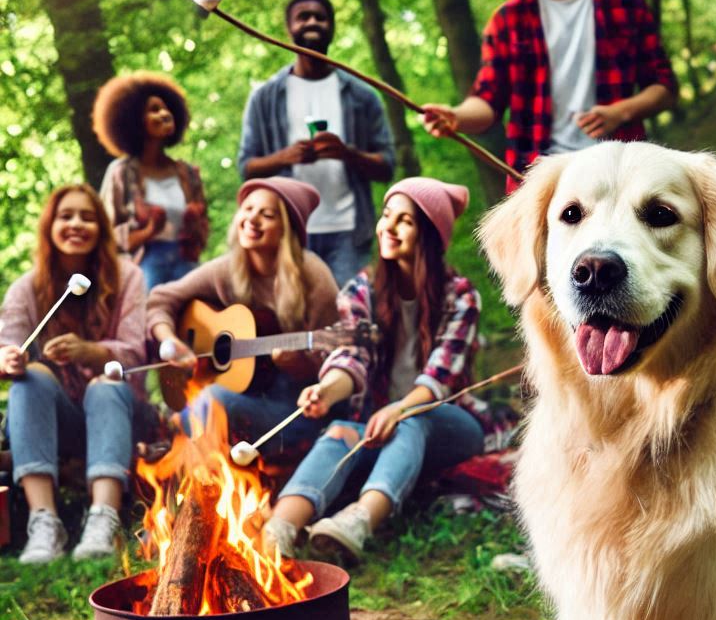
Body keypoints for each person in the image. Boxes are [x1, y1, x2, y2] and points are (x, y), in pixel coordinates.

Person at [261, 177, 485, 564]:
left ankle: (359, 521)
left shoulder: (461, 296)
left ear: (430, 234)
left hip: (449, 426)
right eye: (386, 216)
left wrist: (398, 409)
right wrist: (327, 390)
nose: (388, 227)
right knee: (339, 431)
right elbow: (351, 356)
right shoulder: (363, 290)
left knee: (413, 416)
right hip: (378, 426)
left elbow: (440, 378)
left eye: (405, 221)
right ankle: (278, 531)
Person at [421, 0, 677, 191]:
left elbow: (664, 87)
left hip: (617, 175)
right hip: (537, 184)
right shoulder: (508, 20)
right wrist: (456, 117)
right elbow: (488, 102)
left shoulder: (625, 2)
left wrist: (619, 112)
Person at [0, 183, 145, 563]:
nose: (76, 224)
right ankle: (44, 522)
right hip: (57, 424)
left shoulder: (129, 278)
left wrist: (90, 351)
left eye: (88, 216)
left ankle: (104, 517)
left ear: (102, 227)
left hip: (122, 414)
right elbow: (7, 346)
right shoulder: (26, 289)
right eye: (66, 216)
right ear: (50, 226)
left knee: (105, 384)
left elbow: (134, 353)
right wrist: (8, 360)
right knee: (28, 377)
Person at [147, 177, 342, 453]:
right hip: (240, 397)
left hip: (296, 409)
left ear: (287, 229)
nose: (253, 219)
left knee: (207, 402)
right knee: (196, 407)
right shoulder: (229, 268)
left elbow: (338, 358)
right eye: (248, 209)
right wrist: (170, 340)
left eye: (267, 214)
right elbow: (160, 299)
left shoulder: (313, 276)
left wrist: (298, 364)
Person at [237, 0, 396, 286]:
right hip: (287, 231)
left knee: (347, 318)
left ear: (332, 27)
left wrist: (347, 153)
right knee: (294, 320)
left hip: (349, 231)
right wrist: (286, 157)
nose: (312, 22)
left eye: (320, 17)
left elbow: (387, 165)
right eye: (303, 17)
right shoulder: (265, 97)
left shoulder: (362, 95)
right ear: (289, 28)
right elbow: (246, 167)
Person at [93, 72, 209, 291]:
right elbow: (106, 236)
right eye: (154, 110)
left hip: (186, 263)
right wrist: (149, 231)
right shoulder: (122, 173)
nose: (165, 114)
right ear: (135, 120)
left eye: (167, 108)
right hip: (143, 265)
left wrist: (195, 224)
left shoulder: (187, 173)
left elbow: (203, 231)